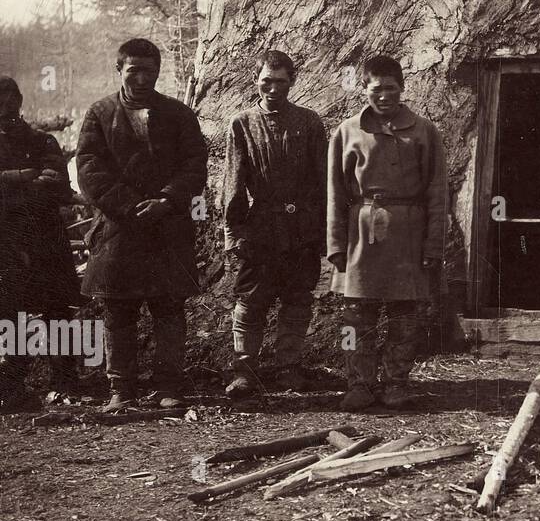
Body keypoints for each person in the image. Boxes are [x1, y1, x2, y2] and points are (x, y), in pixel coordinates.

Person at [76, 39, 207, 410]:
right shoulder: (99, 113)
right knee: (118, 310)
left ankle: (169, 387)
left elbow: (195, 164)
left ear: (158, 72)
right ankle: (121, 388)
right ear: (120, 70)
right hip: (119, 230)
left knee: (168, 308)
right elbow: (89, 169)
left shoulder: (179, 115)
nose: (141, 77)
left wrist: (166, 200)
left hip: (167, 228)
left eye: (149, 69)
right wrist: (132, 206)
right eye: (133, 69)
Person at [327, 55, 446, 411]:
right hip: (361, 232)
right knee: (355, 314)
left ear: (402, 88)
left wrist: (433, 243)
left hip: (409, 231)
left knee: (404, 314)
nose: (383, 96)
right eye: (375, 89)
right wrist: (335, 244)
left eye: (391, 88)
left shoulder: (425, 130)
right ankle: (358, 384)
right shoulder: (347, 131)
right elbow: (334, 190)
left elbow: (438, 192)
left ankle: (396, 383)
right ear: (364, 89)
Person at [222, 50, 326, 398]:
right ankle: (244, 370)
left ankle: (289, 367)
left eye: (281, 81)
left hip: (302, 227)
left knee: (297, 297)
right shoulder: (242, 123)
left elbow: (322, 180)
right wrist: (233, 232)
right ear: (257, 81)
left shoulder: (310, 122)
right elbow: (233, 183)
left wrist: (322, 229)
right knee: (252, 299)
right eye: (266, 80)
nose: (273, 88)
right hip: (262, 225)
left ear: (292, 82)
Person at [0, 76, 81, 411]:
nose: (5, 106)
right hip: (6, 240)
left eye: (10, 98)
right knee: (11, 312)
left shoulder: (41, 140)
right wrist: (23, 177)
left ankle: (66, 382)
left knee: (57, 309)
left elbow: (59, 186)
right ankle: (13, 387)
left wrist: (13, 184)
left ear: (20, 100)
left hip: (45, 238)